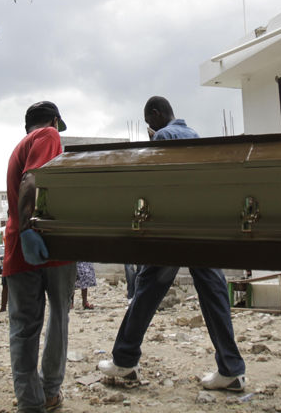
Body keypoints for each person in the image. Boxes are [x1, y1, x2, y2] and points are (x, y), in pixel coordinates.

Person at [97, 96, 247, 392]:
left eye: (147, 122)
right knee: (213, 294)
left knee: (146, 291)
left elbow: (159, 182)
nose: (148, 129)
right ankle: (231, 368)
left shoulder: (165, 136)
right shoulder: (194, 135)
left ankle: (125, 361)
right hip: (201, 226)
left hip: (174, 228)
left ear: (155, 114)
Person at [4, 101, 76, 413]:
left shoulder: (18, 147)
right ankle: (49, 393)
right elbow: (32, 179)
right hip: (49, 243)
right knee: (58, 316)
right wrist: (28, 230)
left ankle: (29, 401)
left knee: (23, 326)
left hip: (18, 247)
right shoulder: (48, 135)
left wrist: (20, 232)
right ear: (55, 121)